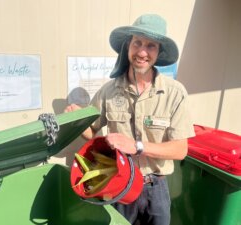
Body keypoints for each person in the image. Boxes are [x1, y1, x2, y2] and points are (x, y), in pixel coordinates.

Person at [65, 14, 195, 225]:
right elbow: (91, 132)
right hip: (120, 185)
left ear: (159, 52)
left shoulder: (174, 93)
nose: (142, 52)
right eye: (137, 43)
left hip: (157, 188)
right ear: (128, 46)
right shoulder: (108, 91)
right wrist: (77, 120)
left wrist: (137, 146)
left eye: (151, 46)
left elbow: (180, 150)